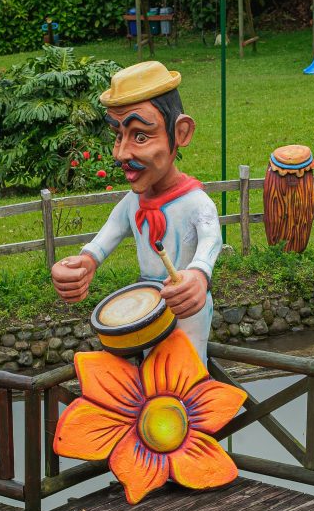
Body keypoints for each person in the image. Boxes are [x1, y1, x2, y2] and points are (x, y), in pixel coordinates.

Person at [50, 61, 222, 360]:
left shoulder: (196, 203)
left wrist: (198, 274)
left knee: (183, 373)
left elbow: (212, 240)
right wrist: (84, 263)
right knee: (143, 371)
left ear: (180, 133)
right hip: (145, 306)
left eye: (140, 136)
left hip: (186, 308)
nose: (121, 154)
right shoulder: (132, 202)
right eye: (119, 136)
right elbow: (107, 236)